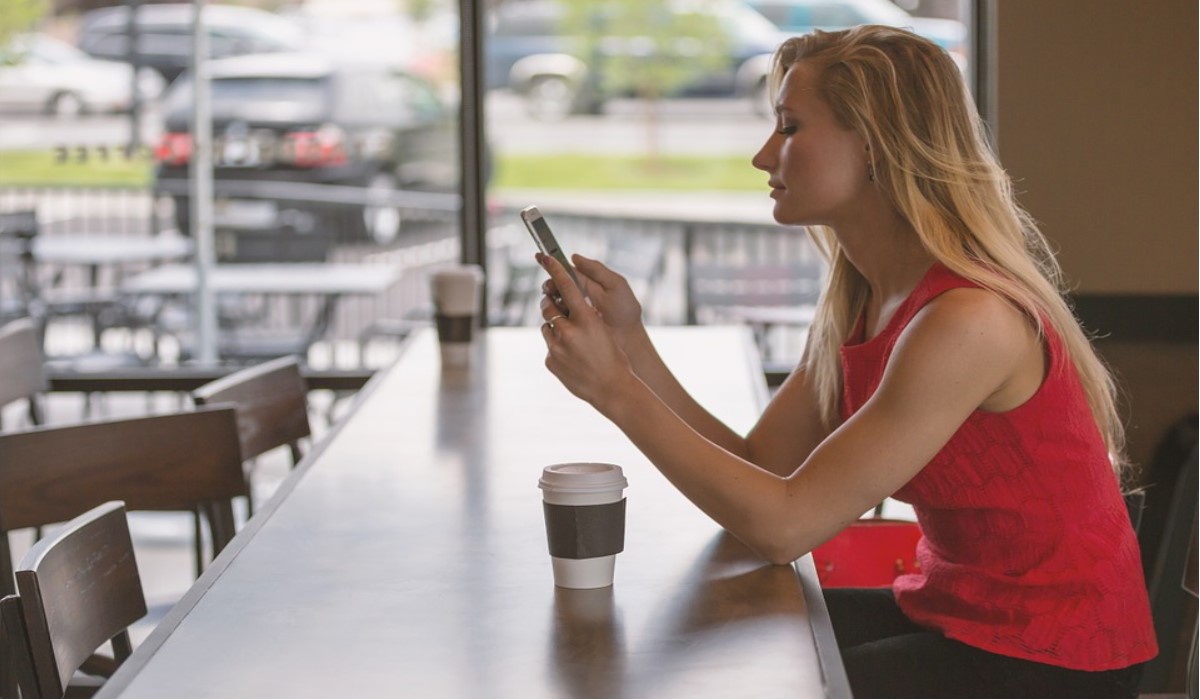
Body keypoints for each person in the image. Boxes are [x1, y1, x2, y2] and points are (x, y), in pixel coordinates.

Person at [534, 24, 1157, 699]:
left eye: (791, 127)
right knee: (716, 636)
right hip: (956, 616)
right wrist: (630, 347)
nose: (763, 155)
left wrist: (616, 393)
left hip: (1050, 662)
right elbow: (765, 468)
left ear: (874, 146)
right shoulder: (865, 300)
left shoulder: (968, 321)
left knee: (744, 677)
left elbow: (784, 527)